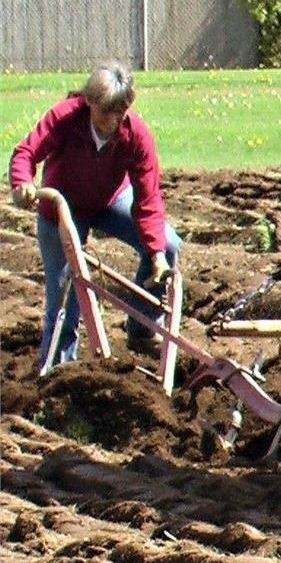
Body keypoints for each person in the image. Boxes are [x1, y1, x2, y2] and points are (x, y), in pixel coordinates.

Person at [9, 63, 182, 369]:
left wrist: (155, 253)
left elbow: (149, 197)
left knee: (168, 245)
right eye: (107, 112)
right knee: (66, 291)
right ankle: (59, 370)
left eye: (121, 113)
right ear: (89, 101)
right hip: (62, 208)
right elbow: (26, 152)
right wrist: (23, 183)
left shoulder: (136, 135)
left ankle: (142, 329)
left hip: (110, 199)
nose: (114, 122)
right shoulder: (65, 117)